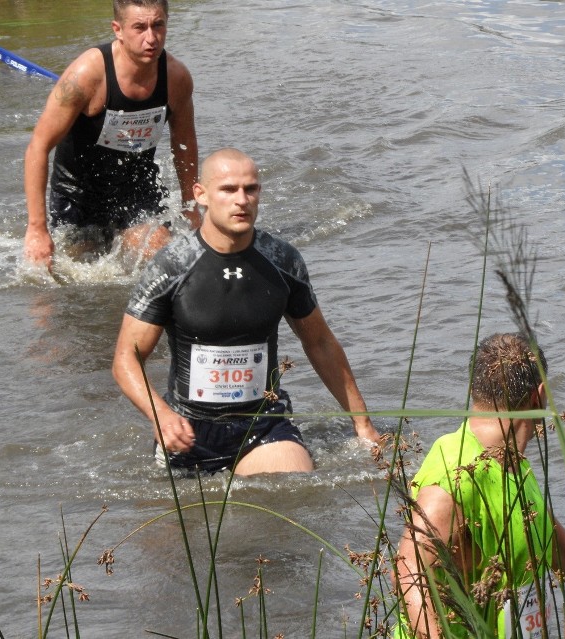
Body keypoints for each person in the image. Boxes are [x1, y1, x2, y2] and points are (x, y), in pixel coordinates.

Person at [112, 148, 379, 476]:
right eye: (228, 190)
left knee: (289, 491)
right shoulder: (171, 266)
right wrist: (161, 416)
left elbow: (320, 343)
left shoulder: (282, 261)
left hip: (262, 426)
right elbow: (126, 358)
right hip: (188, 431)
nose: (242, 200)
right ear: (201, 195)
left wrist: (363, 425)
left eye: (250, 189)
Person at [394, 332, 565, 639]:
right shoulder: (454, 479)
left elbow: (560, 551)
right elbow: (409, 574)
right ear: (539, 396)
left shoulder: (515, 465)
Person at [24, 0, 198, 267]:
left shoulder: (176, 78)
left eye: (158, 25)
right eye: (139, 27)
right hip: (78, 194)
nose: (151, 38)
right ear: (118, 29)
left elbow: (184, 143)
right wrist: (36, 229)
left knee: (165, 259)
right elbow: (38, 146)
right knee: (76, 275)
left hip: (137, 187)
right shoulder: (87, 75)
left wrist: (191, 206)